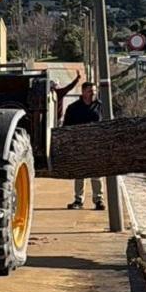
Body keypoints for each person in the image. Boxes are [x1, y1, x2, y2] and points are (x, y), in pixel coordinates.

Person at [62, 81, 104, 210]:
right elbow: (66, 127)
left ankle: (98, 200)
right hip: (79, 146)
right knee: (80, 174)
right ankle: (78, 200)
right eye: (90, 91)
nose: (93, 94)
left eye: (94, 91)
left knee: (96, 174)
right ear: (83, 92)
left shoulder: (101, 107)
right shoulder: (73, 108)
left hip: (96, 145)